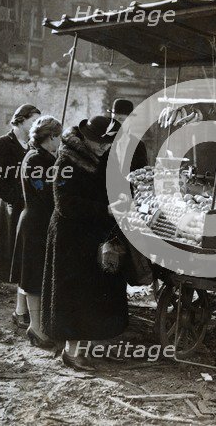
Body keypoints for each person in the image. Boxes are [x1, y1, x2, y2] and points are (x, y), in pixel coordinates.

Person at [42, 116, 126, 371]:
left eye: (108, 143)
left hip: (95, 233)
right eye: (100, 144)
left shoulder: (102, 156)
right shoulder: (67, 160)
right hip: (71, 237)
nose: (104, 147)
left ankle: (88, 348)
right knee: (74, 294)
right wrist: (106, 209)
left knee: (95, 293)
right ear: (86, 140)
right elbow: (65, 203)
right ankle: (71, 352)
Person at [0, 104, 41, 328]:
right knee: (18, 258)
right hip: (13, 207)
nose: (36, 125)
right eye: (33, 120)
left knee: (27, 259)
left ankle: (23, 309)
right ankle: (20, 310)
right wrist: (14, 198)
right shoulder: (1, 144)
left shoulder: (33, 145)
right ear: (20, 120)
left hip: (32, 208)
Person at [13, 116, 62, 348]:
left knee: (40, 275)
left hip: (42, 221)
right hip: (35, 223)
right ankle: (35, 326)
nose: (60, 142)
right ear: (51, 136)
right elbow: (45, 193)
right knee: (33, 277)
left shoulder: (45, 157)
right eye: (58, 137)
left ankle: (41, 325)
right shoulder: (35, 159)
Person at [110, 99, 148, 173]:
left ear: (131, 120)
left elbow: (142, 175)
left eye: (121, 119)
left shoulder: (138, 146)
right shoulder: (102, 142)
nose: (115, 123)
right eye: (113, 119)